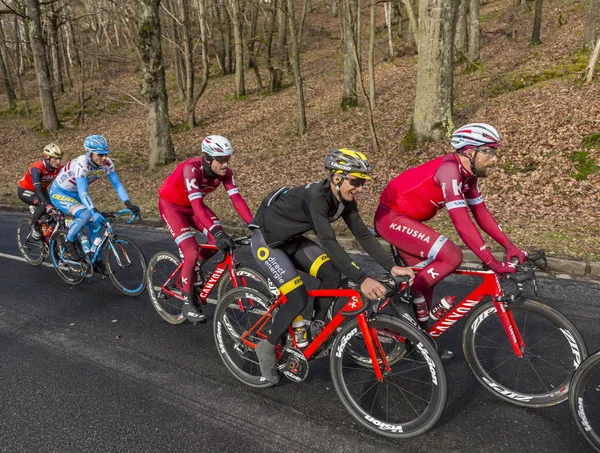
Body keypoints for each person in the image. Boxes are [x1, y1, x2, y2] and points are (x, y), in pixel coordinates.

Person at [250, 148, 415, 383]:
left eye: (363, 182)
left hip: (291, 240)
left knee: (332, 275)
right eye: (356, 181)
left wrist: (391, 266)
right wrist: (362, 279)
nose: (360, 188)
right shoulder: (317, 197)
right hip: (267, 242)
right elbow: (328, 242)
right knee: (297, 297)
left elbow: (362, 235)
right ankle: (267, 346)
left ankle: (317, 328)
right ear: (337, 177)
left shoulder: (345, 200)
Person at [375, 123, 527, 328]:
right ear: (470, 151)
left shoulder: (468, 175)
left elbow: (481, 214)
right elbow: (462, 222)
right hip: (391, 218)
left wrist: (509, 247)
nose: (494, 159)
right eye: (489, 152)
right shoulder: (449, 171)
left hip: (407, 219)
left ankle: (418, 341)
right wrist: (492, 262)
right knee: (452, 255)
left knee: (425, 283)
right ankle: (400, 300)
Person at [157, 135, 254, 324]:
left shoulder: (225, 172)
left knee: (215, 241)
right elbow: (197, 206)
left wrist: (254, 223)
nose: (226, 164)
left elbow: (237, 200)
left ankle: (195, 268)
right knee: (191, 252)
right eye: (222, 160)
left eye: (228, 159)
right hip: (172, 206)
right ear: (208, 158)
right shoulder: (190, 169)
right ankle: (188, 303)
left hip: (194, 207)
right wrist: (217, 232)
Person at [49, 135, 140, 270]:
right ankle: (69, 242)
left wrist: (128, 204)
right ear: (90, 153)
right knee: (86, 215)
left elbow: (117, 184)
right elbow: (83, 192)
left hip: (76, 194)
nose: (104, 158)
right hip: (60, 193)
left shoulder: (107, 163)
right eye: (100, 154)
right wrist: (93, 210)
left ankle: (94, 259)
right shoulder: (82, 163)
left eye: (106, 154)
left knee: (96, 224)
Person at [18, 143, 63, 240]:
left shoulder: (58, 168)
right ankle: (33, 226)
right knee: (43, 205)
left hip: (42, 190)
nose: (58, 162)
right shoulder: (37, 168)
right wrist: (47, 205)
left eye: (60, 158)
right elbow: (37, 190)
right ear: (47, 158)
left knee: (55, 210)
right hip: (26, 190)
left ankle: (47, 232)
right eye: (55, 159)